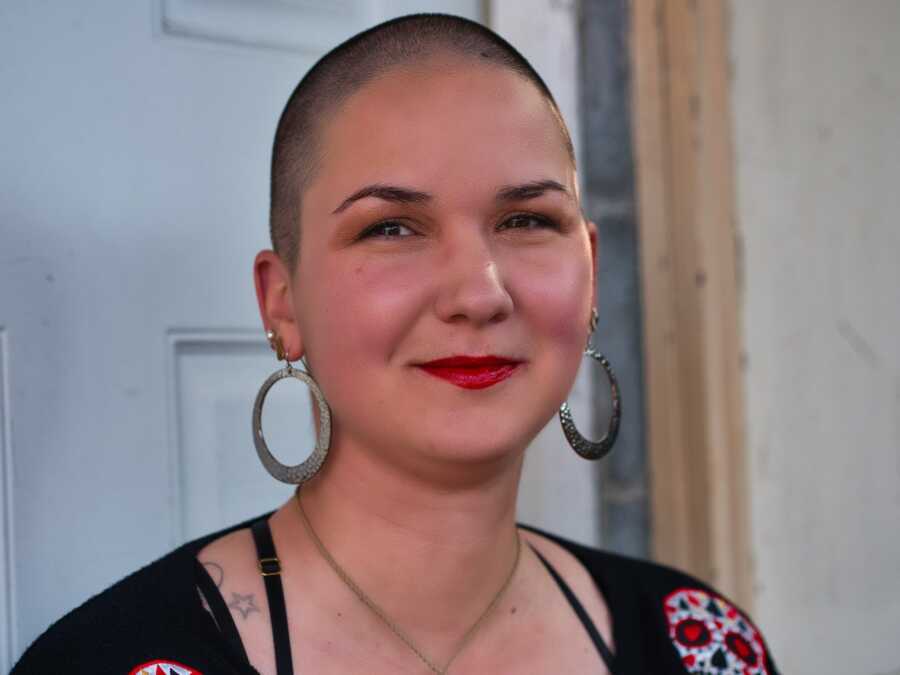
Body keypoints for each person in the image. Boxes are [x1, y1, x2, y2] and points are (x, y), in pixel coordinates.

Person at [13, 13, 779, 675]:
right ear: (282, 302)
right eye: (391, 227)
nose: (479, 293)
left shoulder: (704, 645)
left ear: (591, 271)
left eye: (525, 220)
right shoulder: (110, 658)